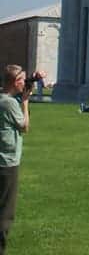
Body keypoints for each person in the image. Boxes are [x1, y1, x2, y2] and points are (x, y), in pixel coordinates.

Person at [0, 65, 31, 253]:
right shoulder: (9, 103)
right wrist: (25, 102)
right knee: (5, 212)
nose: (25, 84)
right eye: (23, 80)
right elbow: (24, 126)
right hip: (7, 162)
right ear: (15, 82)